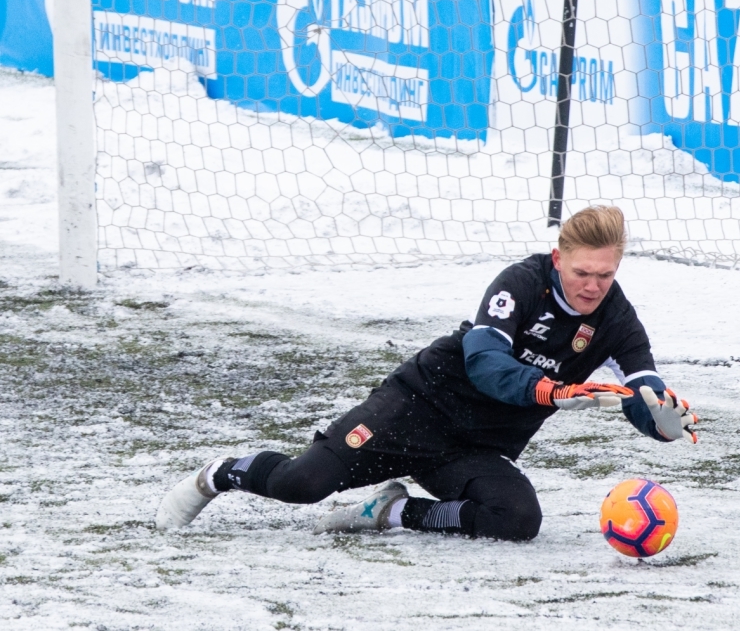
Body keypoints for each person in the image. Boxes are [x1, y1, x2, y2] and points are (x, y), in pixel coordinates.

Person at [155, 205, 698, 541]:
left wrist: (657, 418)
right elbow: (485, 364)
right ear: (558, 258)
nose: (593, 285)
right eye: (583, 272)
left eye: (605, 274)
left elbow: (640, 382)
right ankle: (217, 474)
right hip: (415, 408)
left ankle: (391, 513)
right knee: (302, 485)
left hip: (474, 448)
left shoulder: (616, 317)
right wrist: (550, 391)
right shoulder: (521, 283)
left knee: (516, 520)